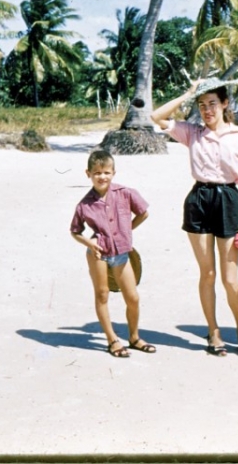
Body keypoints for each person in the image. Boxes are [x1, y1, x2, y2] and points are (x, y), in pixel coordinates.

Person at [150, 77, 238, 357]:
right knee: (207, 273)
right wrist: (188, 93)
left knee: (230, 277)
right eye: (202, 105)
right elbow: (156, 116)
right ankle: (214, 332)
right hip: (198, 200)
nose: (207, 110)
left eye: (212, 103)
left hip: (229, 201)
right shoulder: (192, 132)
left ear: (224, 104)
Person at [70, 150, 155, 358]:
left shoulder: (126, 193)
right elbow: (75, 231)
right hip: (98, 254)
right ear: (88, 173)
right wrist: (88, 242)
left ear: (114, 172)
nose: (102, 177)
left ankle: (134, 337)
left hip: (122, 253)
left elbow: (143, 212)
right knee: (102, 294)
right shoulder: (84, 204)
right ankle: (112, 340)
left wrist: (127, 230)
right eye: (97, 173)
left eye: (106, 172)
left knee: (132, 297)